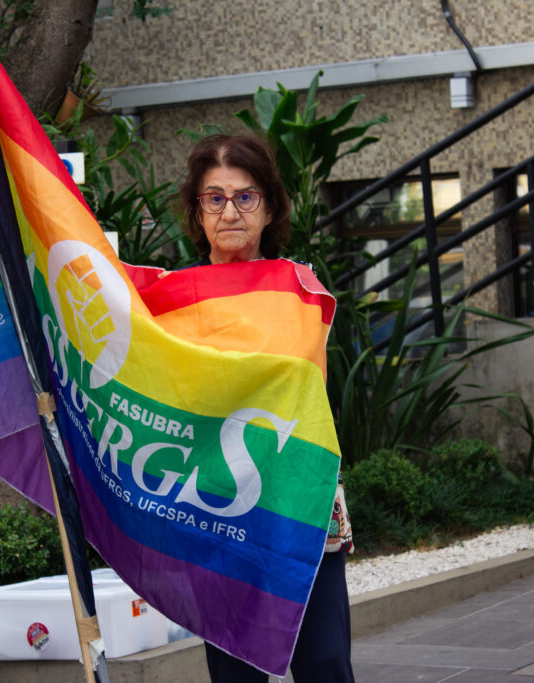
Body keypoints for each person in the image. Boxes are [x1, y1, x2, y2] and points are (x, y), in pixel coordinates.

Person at [177, 133, 356, 683]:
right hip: (215, 506)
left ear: (271, 207)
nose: (230, 212)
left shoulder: (300, 291)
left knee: (325, 661)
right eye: (214, 198)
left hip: (299, 501)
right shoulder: (171, 303)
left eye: (245, 196)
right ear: (198, 212)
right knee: (235, 671)